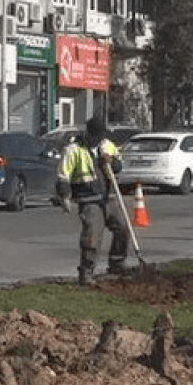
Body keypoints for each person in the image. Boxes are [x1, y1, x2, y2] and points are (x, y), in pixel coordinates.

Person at [55, 116, 128, 285]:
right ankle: (86, 272)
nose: (99, 139)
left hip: (108, 197)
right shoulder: (73, 150)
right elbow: (63, 176)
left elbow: (119, 167)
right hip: (88, 199)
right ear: (88, 133)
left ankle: (117, 262)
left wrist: (111, 162)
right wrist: (65, 197)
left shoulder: (107, 146)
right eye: (96, 135)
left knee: (122, 228)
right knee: (92, 236)